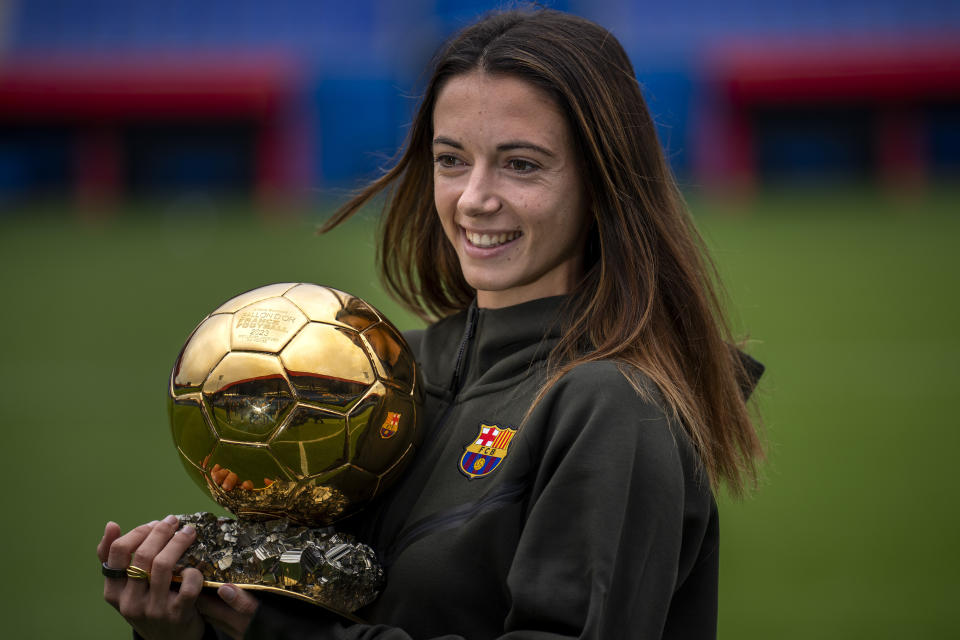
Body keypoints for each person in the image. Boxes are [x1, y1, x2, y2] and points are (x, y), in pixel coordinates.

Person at [97, 8, 764, 639]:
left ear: (603, 181)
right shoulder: (393, 373)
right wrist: (190, 625)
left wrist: (285, 633)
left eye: (521, 164)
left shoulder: (613, 408)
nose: (474, 198)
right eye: (451, 160)